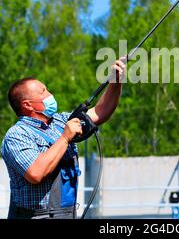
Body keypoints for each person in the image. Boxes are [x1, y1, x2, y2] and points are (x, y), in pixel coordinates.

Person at [1, 58, 126, 219]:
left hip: (67, 214)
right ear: (28, 105)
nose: (50, 94)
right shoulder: (17, 135)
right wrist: (65, 138)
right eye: (43, 92)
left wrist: (115, 81)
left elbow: (101, 112)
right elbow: (35, 173)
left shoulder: (60, 121)